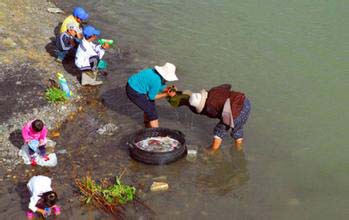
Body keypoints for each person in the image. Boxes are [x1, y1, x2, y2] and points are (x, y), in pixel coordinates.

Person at [168, 84, 251, 151]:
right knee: (238, 127)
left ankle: (213, 150)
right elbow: (227, 86)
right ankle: (239, 147)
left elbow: (216, 115)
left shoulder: (209, 106)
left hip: (234, 113)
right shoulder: (214, 90)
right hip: (245, 102)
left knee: (219, 130)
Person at [126, 63, 178, 128]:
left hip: (132, 83)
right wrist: (166, 94)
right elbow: (152, 97)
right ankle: (156, 134)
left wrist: (168, 89)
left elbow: (160, 87)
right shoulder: (157, 81)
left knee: (149, 107)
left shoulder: (153, 71)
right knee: (153, 113)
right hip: (133, 91)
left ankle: (146, 125)